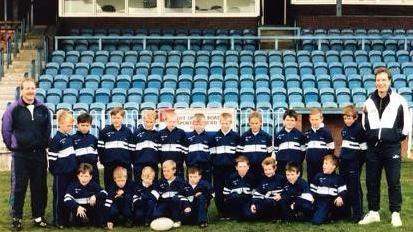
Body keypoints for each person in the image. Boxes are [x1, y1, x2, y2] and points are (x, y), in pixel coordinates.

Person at [359, 67, 412, 227]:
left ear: (389, 81)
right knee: (371, 181)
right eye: (378, 80)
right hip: (373, 148)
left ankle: (395, 212)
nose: (381, 83)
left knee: (393, 181)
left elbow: (406, 126)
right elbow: (364, 122)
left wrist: (395, 138)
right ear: (375, 82)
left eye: (384, 80)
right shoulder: (368, 100)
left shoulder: (399, 100)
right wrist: (371, 137)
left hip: (391, 148)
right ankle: (374, 212)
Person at [2, 78, 51, 230]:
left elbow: (47, 129)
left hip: (39, 155)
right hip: (21, 156)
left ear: (35, 90)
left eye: (32, 88)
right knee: (19, 187)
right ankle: (17, 218)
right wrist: (13, 146)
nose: (30, 91)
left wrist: (43, 144)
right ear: (21, 90)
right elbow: (6, 129)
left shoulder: (43, 108)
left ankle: (38, 216)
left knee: (39, 186)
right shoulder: (13, 108)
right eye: (27, 88)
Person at [48, 109, 77, 228]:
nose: (70, 127)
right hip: (61, 174)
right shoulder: (56, 139)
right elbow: (52, 159)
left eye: (71, 125)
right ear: (60, 123)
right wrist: (56, 171)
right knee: (59, 197)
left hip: (71, 173)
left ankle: (66, 218)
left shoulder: (69, 138)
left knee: (68, 196)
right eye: (68, 125)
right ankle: (58, 220)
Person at [210, 112, 241, 219]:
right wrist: (216, 164)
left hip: (231, 169)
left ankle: (230, 212)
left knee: (230, 191)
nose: (225, 125)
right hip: (218, 169)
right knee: (218, 191)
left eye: (227, 123)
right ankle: (221, 212)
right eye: (223, 123)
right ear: (220, 122)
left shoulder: (236, 137)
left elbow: (238, 154)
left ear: (231, 123)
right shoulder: (214, 137)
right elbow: (212, 154)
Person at [339, 105, 367, 222]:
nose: (347, 120)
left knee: (354, 188)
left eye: (349, 118)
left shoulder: (360, 129)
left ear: (355, 117)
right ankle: (346, 212)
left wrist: (357, 163)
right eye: (345, 118)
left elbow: (363, 150)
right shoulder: (344, 129)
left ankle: (358, 214)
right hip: (344, 162)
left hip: (354, 163)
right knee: (345, 187)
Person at [98, 107, 134, 188]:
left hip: (125, 164)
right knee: (110, 186)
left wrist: (129, 161)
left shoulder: (128, 132)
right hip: (109, 164)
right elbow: (100, 149)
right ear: (111, 118)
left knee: (127, 187)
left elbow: (132, 149)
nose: (116, 120)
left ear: (123, 118)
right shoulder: (104, 131)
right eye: (114, 118)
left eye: (118, 118)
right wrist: (104, 162)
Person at [151, 160, 194, 228]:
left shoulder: (181, 181)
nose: (165, 173)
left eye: (168, 171)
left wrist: (187, 206)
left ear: (174, 171)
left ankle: (177, 220)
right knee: (156, 215)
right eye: (164, 171)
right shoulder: (160, 182)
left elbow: (188, 196)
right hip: (164, 204)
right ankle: (169, 219)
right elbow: (154, 195)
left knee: (176, 199)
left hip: (177, 205)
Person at [64, 163, 107, 227]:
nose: (83, 179)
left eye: (86, 176)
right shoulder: (73, 186)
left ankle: (98, 221)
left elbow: (105, 193)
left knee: (100, 202)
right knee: (78, 224)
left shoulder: (94, 185)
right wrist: (77, 207)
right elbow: (66, 198)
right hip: (79, 209)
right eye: (81, 176)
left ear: (90, 177)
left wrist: (95, 196)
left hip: (90, 208)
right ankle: (78, 219)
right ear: (78, 176)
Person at [310, 155, 347, 225]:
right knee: (304, 206)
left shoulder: (338, 179)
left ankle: (327, 215)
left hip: (329, 202)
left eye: (326, 164)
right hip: (318, 201)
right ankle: (320, 214)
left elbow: (343, 190)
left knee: (316, 222)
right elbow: (312, 189)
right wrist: (312, 196)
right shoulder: (318, 176)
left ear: (333, 166)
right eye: (323, 163)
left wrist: (340, 197)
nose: (323, 166)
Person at [238, 111, 273, 178]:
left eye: (256, 123)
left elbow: (269, 153)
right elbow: (240, 153)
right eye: (252, 123)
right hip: (248, 168)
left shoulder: (267, 136)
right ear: (249, 124)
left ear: (260, 123)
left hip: (261, 168)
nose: (254, 125)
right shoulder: (244, 136)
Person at [223, 155, 257, 220]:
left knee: (249, 216)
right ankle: (233, 214)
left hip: (247, 201)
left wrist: (252, 203)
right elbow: (226, 193)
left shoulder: (251, 178)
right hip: (234, 201)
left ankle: (243, 213)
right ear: (236, 167)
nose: (242, 169)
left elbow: (254, 193)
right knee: (235, 196)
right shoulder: (231, 177)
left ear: (248, 167)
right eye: (240, 166)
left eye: (244, 166)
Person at [305, 108, 335, 183]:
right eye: (312, 119)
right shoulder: (307, 133)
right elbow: (306, 148)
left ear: (321, 119)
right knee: (311, 184)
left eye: (316, 119)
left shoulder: (326, 132)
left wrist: (327, 163)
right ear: (309, 119)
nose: (314, 122)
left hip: (322, 165)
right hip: (310, 166)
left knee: (322, 184)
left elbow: (331, 148)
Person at [274, 109, 307, 175]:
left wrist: (298, 161)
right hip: (282, 166)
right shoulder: (278, 135)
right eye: (287, 120)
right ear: (283, 121)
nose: (290, 122)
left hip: (296, 164)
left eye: (292, 120)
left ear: (295, 122)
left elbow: (303, 151)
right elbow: (276, 151)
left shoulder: (300, 135)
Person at [131, 110, 160, 180]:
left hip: (153, 165)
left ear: (155, 121)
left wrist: (156, 161)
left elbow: (159, 150)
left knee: (153, 185)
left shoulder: (158, 134)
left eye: (151, 122)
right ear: (143, 120)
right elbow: (132, 150)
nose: (149, 124)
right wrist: (135, 162)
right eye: (147, 122)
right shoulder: (136, 132)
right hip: (139, 165)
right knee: (138, 185)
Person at [158, 111, 188, 178]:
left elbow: (185, 150)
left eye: (174, 122)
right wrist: (161, 162)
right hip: (165, 167)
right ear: (165, 121)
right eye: (170, 121)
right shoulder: (160, 133)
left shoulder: (181, 133)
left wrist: (181, 161)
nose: (172, 124)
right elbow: (158, 150)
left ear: (177, 122)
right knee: (166, 186)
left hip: (178, 166)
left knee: (179, 185)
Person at [186, 113, 214, 183]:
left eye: (201, 124)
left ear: (205, 124)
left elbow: (212, 153)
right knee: (192, 187)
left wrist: (209, 164)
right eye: (196, 124)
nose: (198, 126)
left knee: (206, 187)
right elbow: (185, 153)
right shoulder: (188, 137)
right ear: (193, 124)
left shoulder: (209, 137)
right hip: (192, 166)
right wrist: (189, 163)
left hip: (206, 167)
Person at [72, 113, 99, 183]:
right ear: (77, 125)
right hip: (79, 170)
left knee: (94, 188)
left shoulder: (94, 139)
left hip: (93, 170)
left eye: (87, 125)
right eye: (82, 125)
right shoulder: (72, 139)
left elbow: (97, 154)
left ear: (90, 125)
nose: (85, 127)